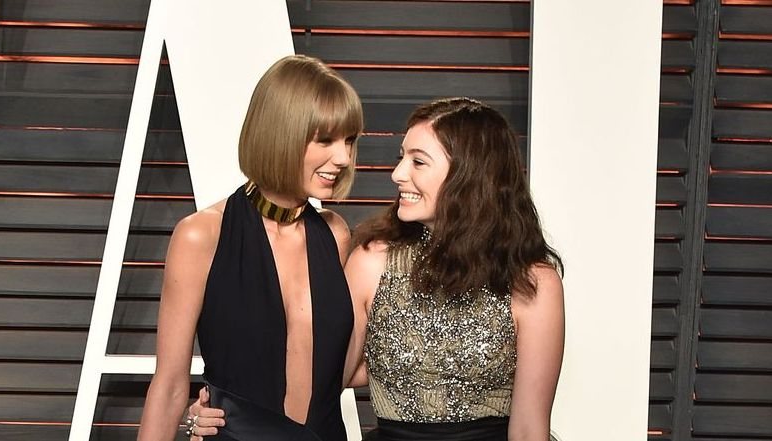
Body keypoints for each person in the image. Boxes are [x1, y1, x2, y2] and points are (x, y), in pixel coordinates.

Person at [189, 97, 564, 441]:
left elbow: (530, 428)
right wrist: (225, 411)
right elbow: (323, 376)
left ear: (471, 176)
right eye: (402, 157)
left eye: (417, 161)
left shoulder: (533, 283)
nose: (398, 174)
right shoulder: (372, 261)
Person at [137, 54, 364, 441]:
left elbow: (345, 369)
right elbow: (170, 383)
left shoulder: (335, 235)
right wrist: (194, 417)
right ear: (281, 132)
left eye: (349, 141)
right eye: (325, 140)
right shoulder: (201, 237)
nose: (342, 158)